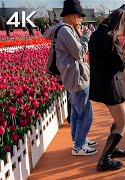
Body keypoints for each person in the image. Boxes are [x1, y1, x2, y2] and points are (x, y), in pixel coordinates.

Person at [44, 0, 97, 156]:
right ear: (70, 15)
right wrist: (86, 36)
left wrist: (80, 33)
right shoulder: (65, 31)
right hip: (76, 76)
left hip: (71, 75)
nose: (81, 18)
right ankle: (79, 146)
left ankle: (78, 139)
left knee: (76, 111)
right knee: (86, 112)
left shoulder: (65, 29)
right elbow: (79, 53)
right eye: (79, 15)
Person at [89, 9, 125, 171]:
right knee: (123, 121)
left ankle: (112, 149)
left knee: (119, 119)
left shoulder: (96, 34)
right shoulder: (109, 37)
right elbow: (122, 64)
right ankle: (104, 160)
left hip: (101, 84)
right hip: (111, 86)